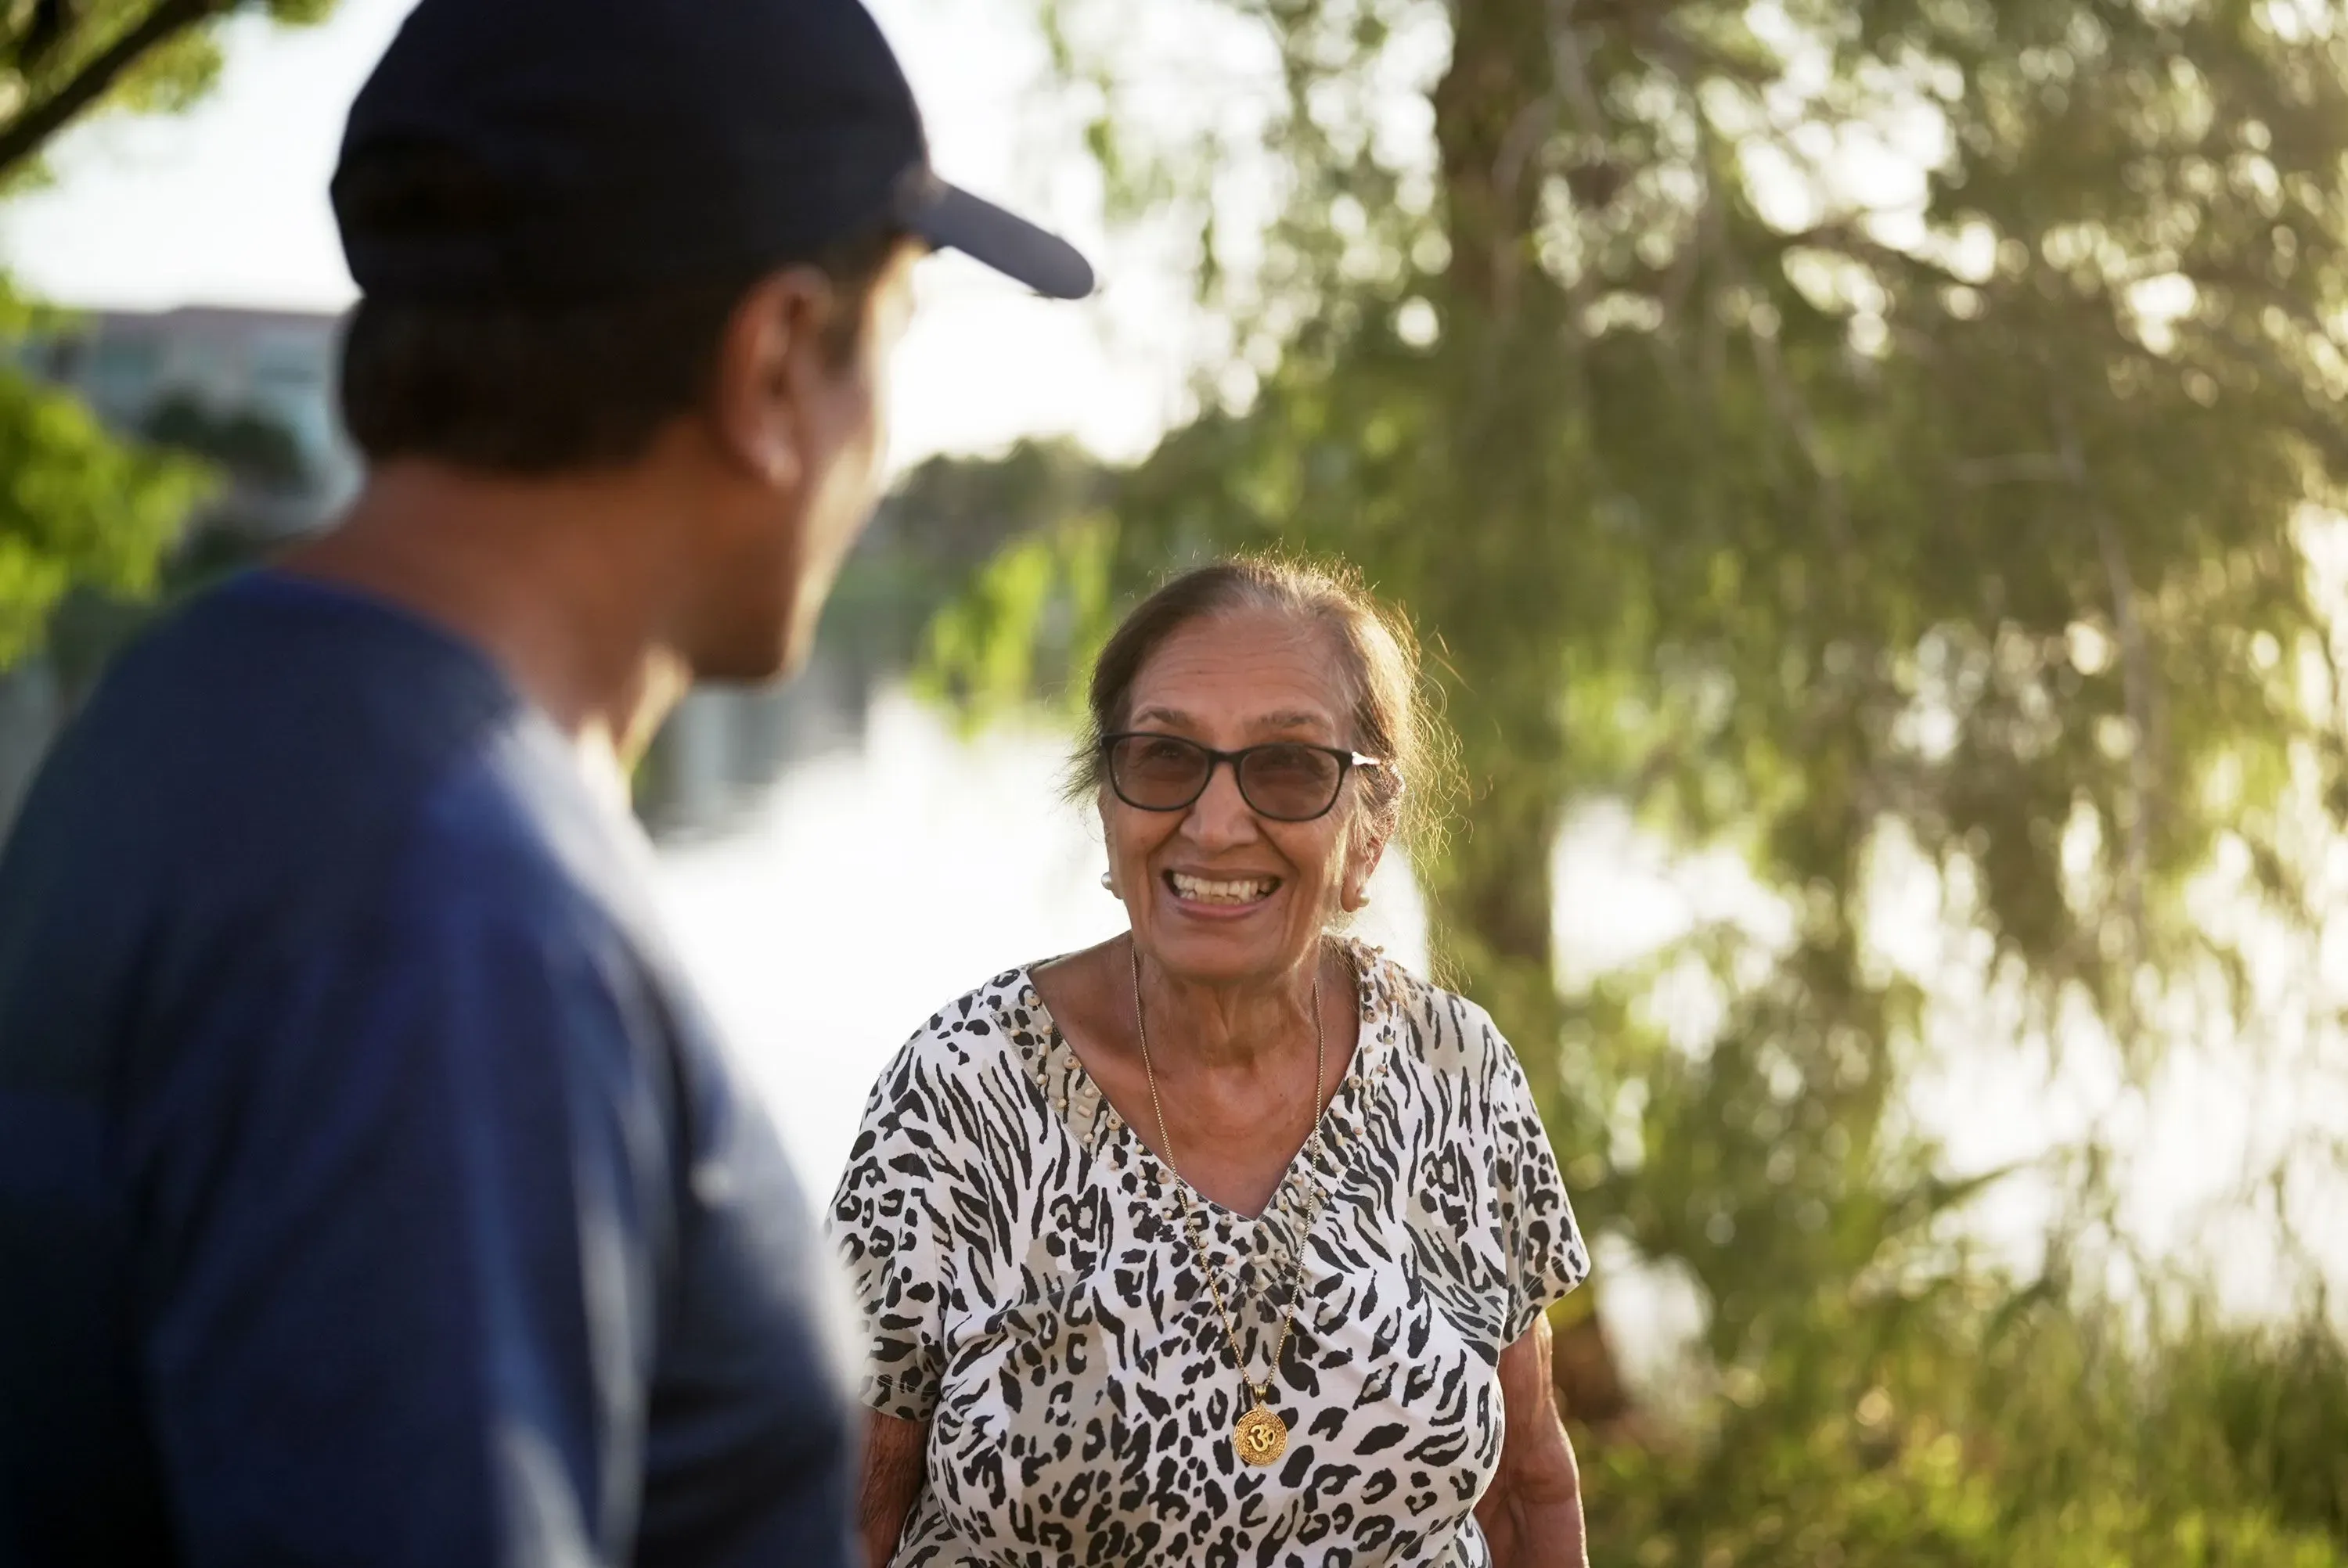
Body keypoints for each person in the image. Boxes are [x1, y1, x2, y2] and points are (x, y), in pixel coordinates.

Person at [0, 0, 1093, 1563]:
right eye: (892, 344)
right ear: (776, 363)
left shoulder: (188, 710)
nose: (885, 441)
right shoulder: (442, 912)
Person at [832, 558, 1594, 1567]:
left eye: (1288, 767)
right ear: (1108, 809)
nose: (1218, 823)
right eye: (1164, 758)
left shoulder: (1458, 1070)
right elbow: (841, 1514)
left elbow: (1529, 1486)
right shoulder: (960, 1092)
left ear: (1370, 833)